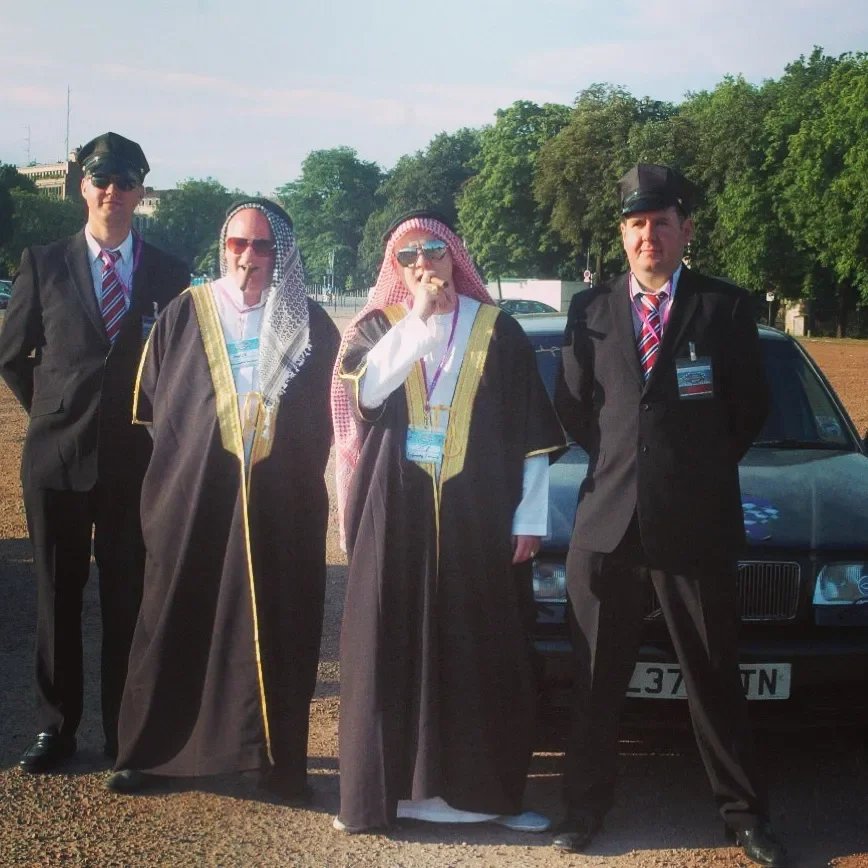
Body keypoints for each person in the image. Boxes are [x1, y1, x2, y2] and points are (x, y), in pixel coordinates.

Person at [552, 164, 787, 867]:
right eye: (635, 224)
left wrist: (685, 474)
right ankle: (583, 810)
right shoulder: (589, 312)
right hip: (607, 525)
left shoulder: (725, 308)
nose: (648, 235)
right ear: (621, 235)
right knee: (594, 679)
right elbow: (576, 409)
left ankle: (744, 817)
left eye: (660, 223)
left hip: (694, 526)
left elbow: (749, 410)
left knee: (715, 675)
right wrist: (628, 468)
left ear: (685, 229)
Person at [331, 210, 565, 833]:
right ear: (395, 268)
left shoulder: (499, 330)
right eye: (408, 257)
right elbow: (367, 394)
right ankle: (387, 797)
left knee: (481, 645)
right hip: (394, 512)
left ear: (454, 255)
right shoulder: (377, 326)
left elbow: (533, 436)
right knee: (389, 641)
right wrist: (417, 324)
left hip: (481, 515)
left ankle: (484, 798)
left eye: (434, 251)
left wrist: (530, 518)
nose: (422, 265)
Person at [105, 199, 339, 801]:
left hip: (282, 507)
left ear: (282, 254)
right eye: (238, 243)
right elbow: (155, 407)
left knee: (280, 625)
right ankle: (152, 753)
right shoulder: (186, 312)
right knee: (174, 615)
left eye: (263, 247)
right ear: (223, 247)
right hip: (192, 499)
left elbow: (331, 419)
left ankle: (279, 764)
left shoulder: (311, 323)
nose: (248, 257)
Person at [0, 132, 189, 772]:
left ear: (141, 191)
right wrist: (53, 410)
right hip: (56, 459)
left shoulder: (170, 273)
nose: (113, 192)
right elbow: (12, 354)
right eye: (101, 179)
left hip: (137, 461)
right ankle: (56, 728)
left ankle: (122, 731)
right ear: (82, 185)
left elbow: (182, 366)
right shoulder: (44, 262)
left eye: (126, 181)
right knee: (57, 592)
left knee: (128, 594)